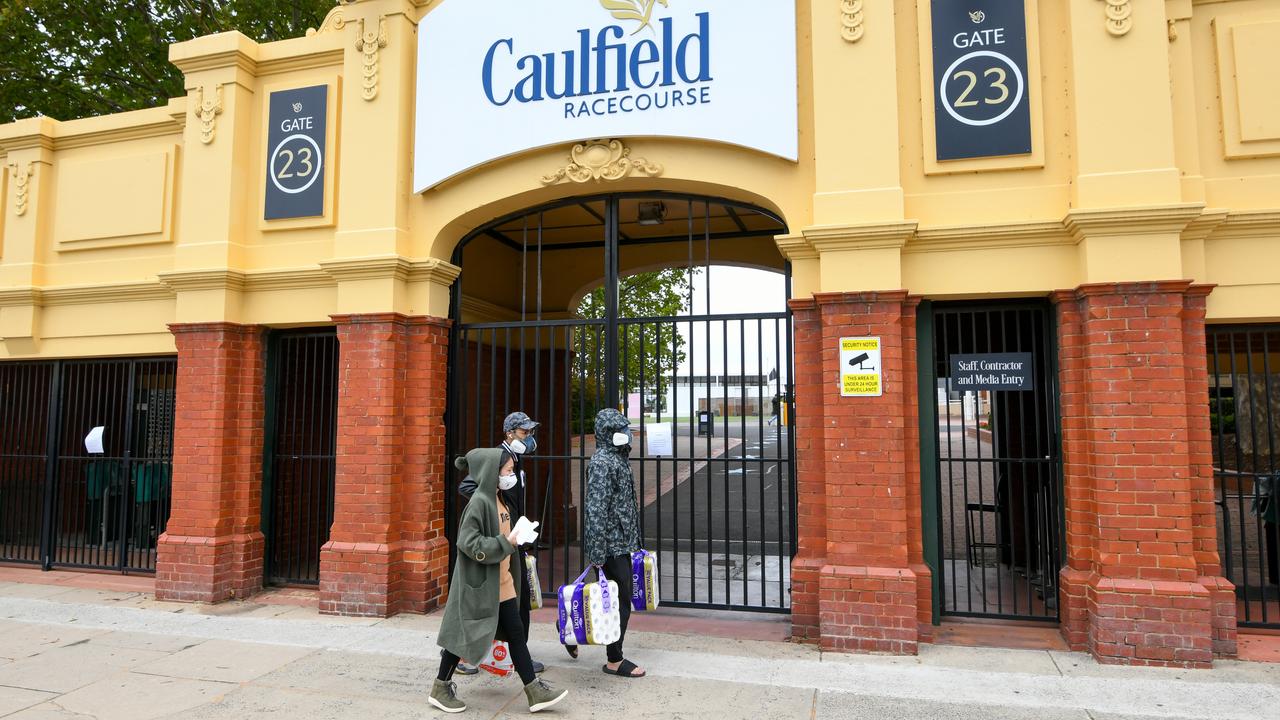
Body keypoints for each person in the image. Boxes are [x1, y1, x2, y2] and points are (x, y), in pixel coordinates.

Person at [430, 448, 568, 714]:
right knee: (461, 637)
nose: (511, 475)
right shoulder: (479, 502)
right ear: (492, 473)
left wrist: (518, 535)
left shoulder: (500, 499)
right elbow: (467, 542)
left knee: (516, 635)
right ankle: (440, 686)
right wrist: (507, 542)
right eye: (507, 471)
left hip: (502, 583)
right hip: (481, 585)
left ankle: (534, 690)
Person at [454, 411, 545, 675]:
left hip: (513, 539)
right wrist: (494, 506)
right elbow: (468, 487)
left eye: (530, 432)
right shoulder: (497, 459)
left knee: (516, 600)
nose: (529, 437)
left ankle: (518, 655)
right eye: (524, 432)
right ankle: (460, 655)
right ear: (510, 433)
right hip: (499, 540)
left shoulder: (516, 459)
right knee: (495, 601)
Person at [566, 408, 646, 678]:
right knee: (620, 600)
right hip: (611, 544)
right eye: (621, 429)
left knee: (611, 598)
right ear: (608, 433)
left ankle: (565, 626)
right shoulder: (603, 463)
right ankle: (614, 659)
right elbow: (596, 510)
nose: (627, 433)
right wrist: (597, 550)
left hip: (622, 541)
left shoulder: (618, 458)